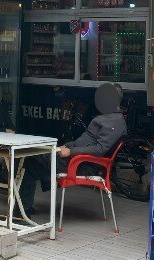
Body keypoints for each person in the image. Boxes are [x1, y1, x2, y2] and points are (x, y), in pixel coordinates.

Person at [18, 83, 125, 215]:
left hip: (81, 165)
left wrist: (71, 152)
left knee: (31, 155)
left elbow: (100, 149)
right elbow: (87, 139)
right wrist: (68, 146)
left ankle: (25, 200)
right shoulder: (106, 117)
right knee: (31, 164)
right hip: (75, 159)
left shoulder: (115, 121)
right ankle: (24, 208)